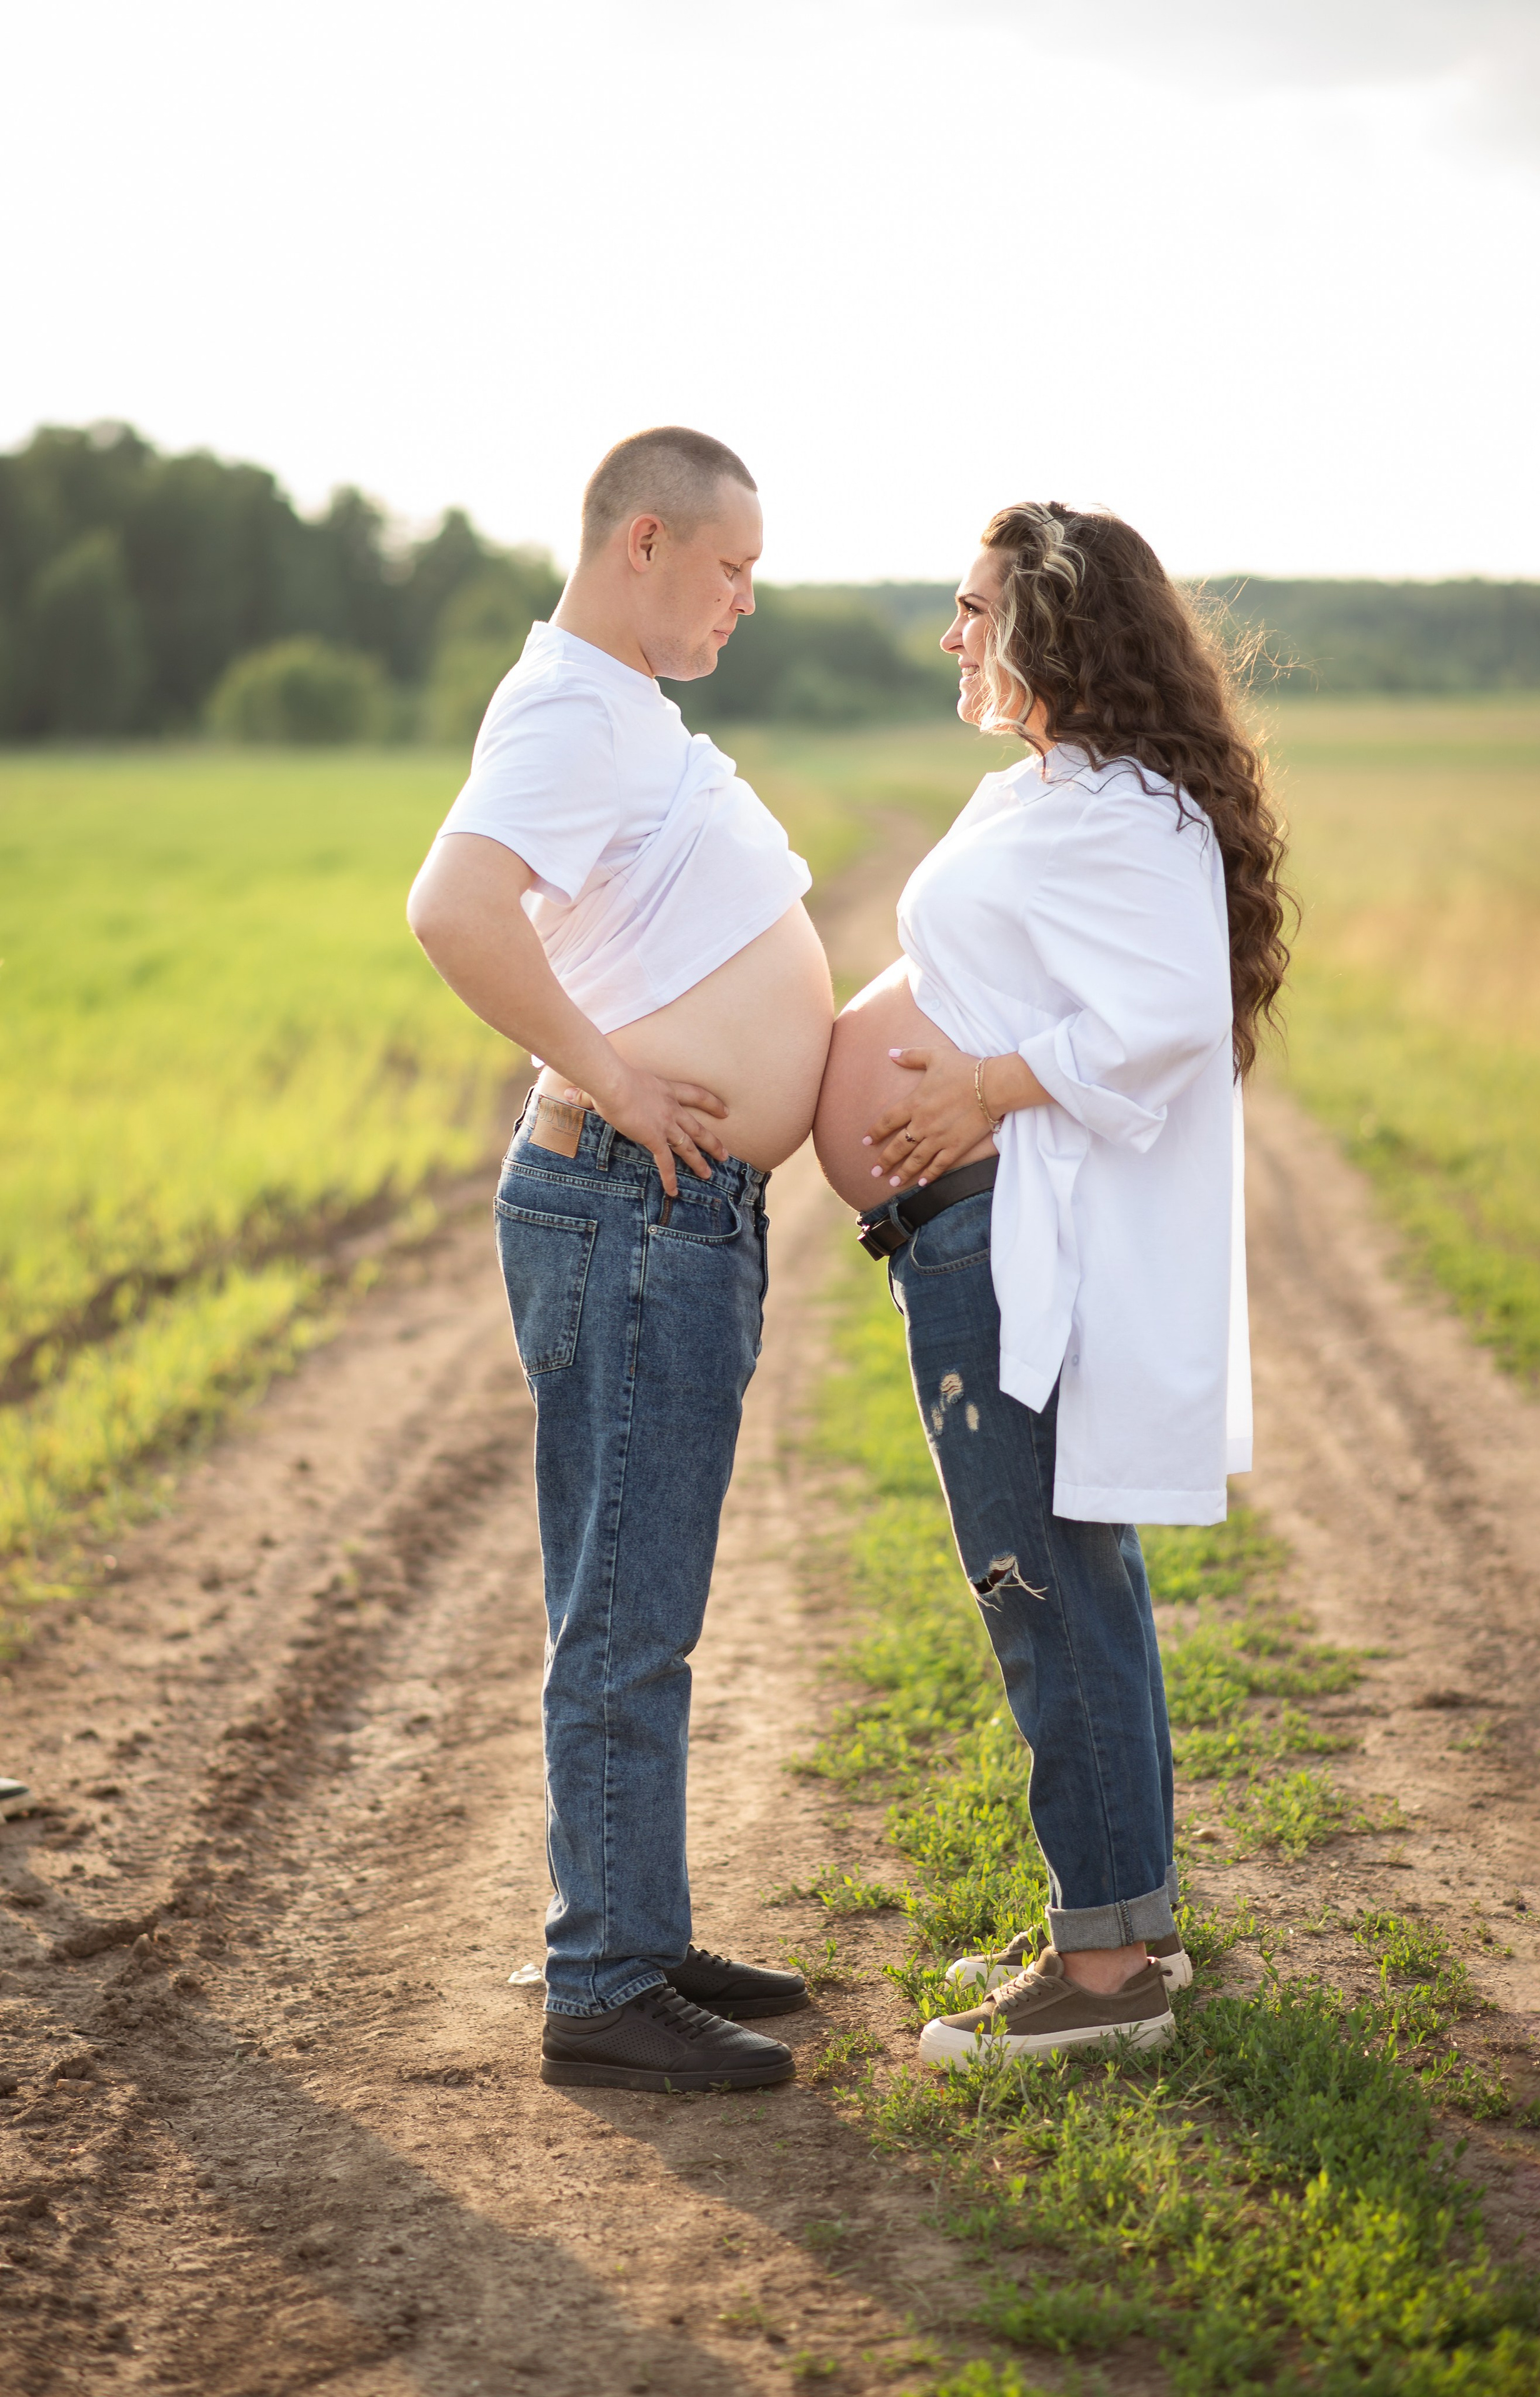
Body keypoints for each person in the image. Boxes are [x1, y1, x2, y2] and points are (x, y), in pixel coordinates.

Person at [812, 503, 1290, 2066]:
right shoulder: (1044, 793)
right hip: (962, 1235)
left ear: (1052, 626)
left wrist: (980, 1092)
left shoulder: (1130, 813)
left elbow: (1159, 1017)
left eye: (971, 608)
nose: (951, 634)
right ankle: (1118, 1923)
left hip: (1005, 1236)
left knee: (1040, 1590)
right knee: (1072, 1582)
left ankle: (1104, 1985)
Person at [407, 428, 834, 2091]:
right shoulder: (574, 704)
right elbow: (454, 906)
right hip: (625, 1206)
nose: (746, 599)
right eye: (731, 567)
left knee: (643, 1592)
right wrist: (603, 1064)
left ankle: (636, 1927)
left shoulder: (617, 709)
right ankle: (603, 1980)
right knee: (622, 1602)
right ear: (642, 539)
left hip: (668, 1217)